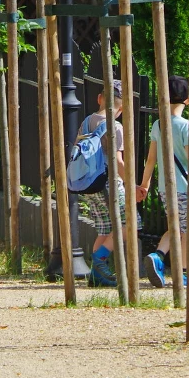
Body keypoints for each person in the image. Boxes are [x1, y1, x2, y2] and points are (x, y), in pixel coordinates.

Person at [137, 76, 189, 287]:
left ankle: (158, 255)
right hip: (185, 186)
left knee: (175, 226)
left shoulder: (159, 124)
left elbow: (151, 159)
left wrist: (144, 184)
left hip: (165, 186)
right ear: (187, 100)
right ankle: (184, 274)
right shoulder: (186, 126)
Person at [75, 80, 136, 288]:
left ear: (100, 99)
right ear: (123, 106)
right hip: (109, 183)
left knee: (104, 229)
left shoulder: (86, 122)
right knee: (130, 223)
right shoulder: (115, 127)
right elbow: (117, 162)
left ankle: (95, 276)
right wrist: (132, 184)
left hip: (89, 184)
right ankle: (100, 261)